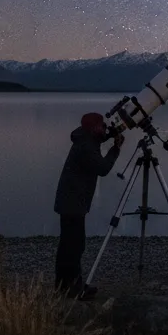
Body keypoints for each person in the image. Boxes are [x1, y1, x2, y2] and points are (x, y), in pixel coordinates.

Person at [53, 112, 123, 299]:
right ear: (93, 128)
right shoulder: (86, 147)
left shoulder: (85, 140)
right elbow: (102, 168)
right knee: (74, 246)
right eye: (102, 126)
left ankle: (63, 285)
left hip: (71, 200)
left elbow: (98, 141)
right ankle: (73, 289)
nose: (105, 129)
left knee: (69, 245)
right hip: (73, 202)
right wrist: (116, 149)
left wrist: (111, 135)